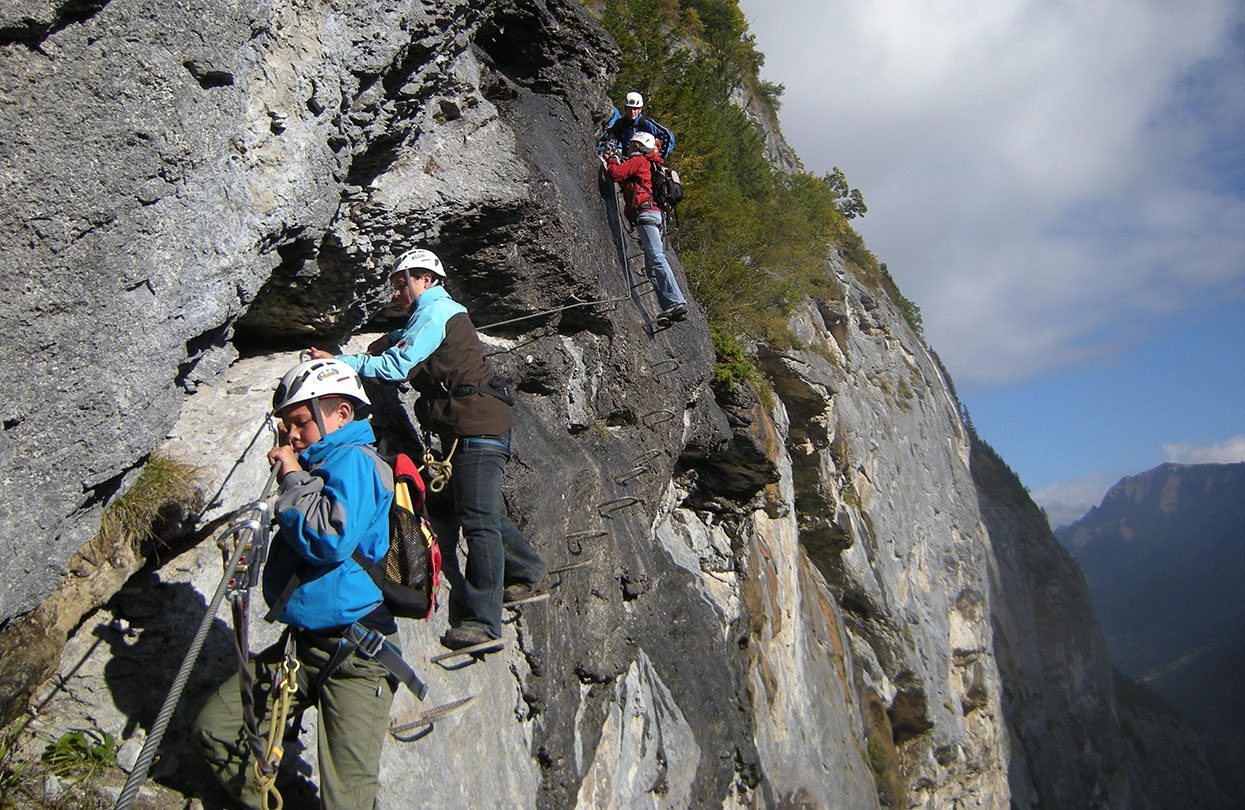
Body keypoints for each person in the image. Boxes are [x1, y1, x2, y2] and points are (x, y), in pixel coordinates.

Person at [314, 247, 546, 651]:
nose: (398, 293)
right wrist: (385, 341)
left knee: (476, 520)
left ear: (424, 279)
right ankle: (527, 569)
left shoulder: (436, 312)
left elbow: (395, 367)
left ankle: (483, 622)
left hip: (477, 426)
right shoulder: (434, 314)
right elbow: (404, 341)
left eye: (401, 284)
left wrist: (341, 363)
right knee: (471, 508)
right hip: (475, 424)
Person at [195, 358, 398, 810]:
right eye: (287, 425)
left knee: (347, 800)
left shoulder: (359, 464)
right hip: (302, 648)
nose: (292, 435)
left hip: (358, 656)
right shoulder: (318, 464)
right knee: (217, 727)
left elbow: (330, 538)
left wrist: (291, 477)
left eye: (301, 422)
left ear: (341, 414)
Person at [602, 131, 688, 324]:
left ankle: (676, 301)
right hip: (658, 216)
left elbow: (615, 174)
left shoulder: (639, 160)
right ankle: (670, 308)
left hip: (646, 213)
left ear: (638, 146)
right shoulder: (654, 164)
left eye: (632, 144)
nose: (629, 147)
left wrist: (612, 160)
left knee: (656, 258)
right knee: (651, 266)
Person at [597, 90, 675, 159]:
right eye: (629, 109)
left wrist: (660, 155)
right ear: (625, 108)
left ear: (640, 109)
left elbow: (668, 136)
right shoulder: (620, 123)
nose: (632, 112)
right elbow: (611, 134)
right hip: (627, 160)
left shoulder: (645, 122)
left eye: (635, 109)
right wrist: (612, 134)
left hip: (644, 162)